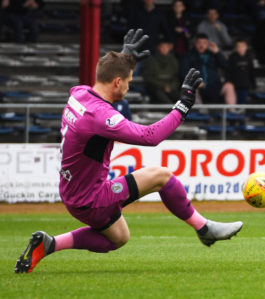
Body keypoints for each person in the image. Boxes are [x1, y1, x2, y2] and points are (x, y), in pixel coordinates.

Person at [14, 29, 243, 274]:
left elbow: (110, 72)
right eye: (128, 82)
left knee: (119, 237)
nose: (129, 87)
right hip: (91, 199)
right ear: (117, 82)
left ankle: (49, 244)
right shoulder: (101, 117)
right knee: (161, 176)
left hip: (72, 191)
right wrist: (183, 105)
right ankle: (204, 229)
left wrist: (124, 58)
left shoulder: (78, 93)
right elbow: (150, 136)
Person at [181, 34, 236, 105]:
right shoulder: (188, 55)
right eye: (199, 43)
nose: (201, 45)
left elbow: (226, 66)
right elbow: (183, 72)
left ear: (208, 44)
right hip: (198, 87)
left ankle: (232, 113)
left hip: (214, 86)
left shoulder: (213, 54)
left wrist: (217, 52)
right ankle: (200, 114)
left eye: (204, 43)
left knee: (229, 86)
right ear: (195, 44)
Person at [143, 39, 180, 104]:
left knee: (180, 95)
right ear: (158, 48)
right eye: (162, 47)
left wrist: (170, 86)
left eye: (166, 47)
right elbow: (148, 77)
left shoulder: (174, 61)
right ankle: (170, 108)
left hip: (171, 86)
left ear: (170, 48)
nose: (165, 49)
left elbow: (176, 77)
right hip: (156, 86)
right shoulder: (151, 61)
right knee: (158, 92)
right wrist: (164, 86)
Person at [226, 39, 256, 105]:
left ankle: (242, 113)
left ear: (246, 47)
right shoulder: (232, 57)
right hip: (235, 85)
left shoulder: (249, 57)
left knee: (243, 102)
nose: (240, 48)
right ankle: (235, 114)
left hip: (245, 85)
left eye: (242, 46)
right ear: (236, 48)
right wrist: (229, 82)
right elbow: (229, 71)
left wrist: (253, 84)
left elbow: (252, 72)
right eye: (238, 46)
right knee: (235, 102)